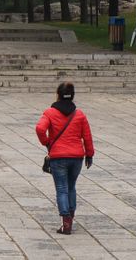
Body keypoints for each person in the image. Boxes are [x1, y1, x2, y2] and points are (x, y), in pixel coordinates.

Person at [36, 82, 95, 235]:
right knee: (71, 187)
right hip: (77, 158)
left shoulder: (49, 112)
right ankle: (71, 216)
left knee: (61, 189)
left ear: (58, 94)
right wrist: (90, 154)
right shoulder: (80, 114)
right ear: (72, 95)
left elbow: (40, 128)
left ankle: (66, 222)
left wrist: (46, 142)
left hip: (59, 157)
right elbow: (87, 136)